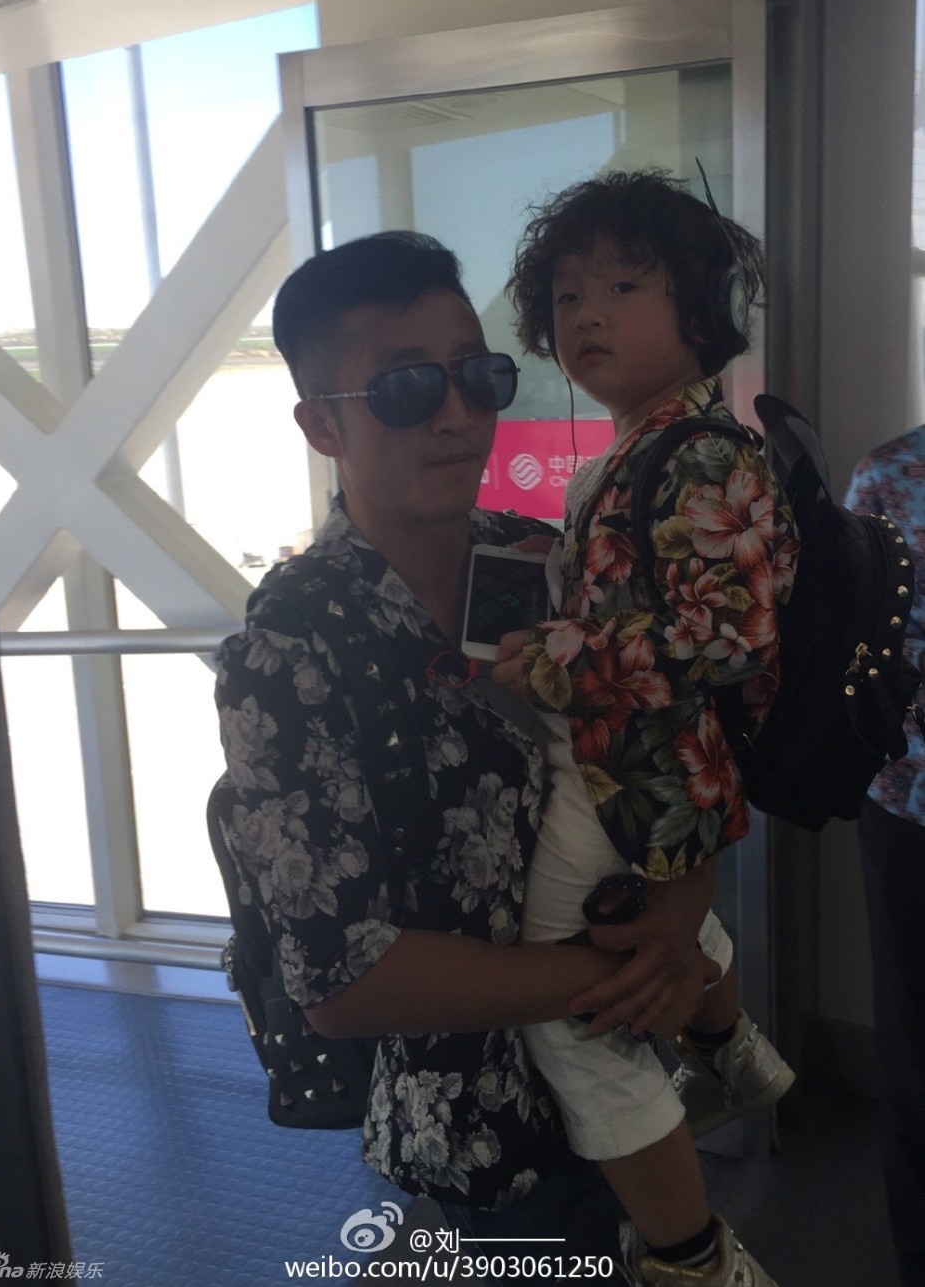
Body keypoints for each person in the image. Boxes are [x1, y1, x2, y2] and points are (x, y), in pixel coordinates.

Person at [211, 231, 717, 1263]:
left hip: (636, 1056)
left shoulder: (543, 564)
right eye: (405, 388)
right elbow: (343, 979)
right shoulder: (290, 650)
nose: (456, 415)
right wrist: (614, 973)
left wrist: (678, 917)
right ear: (320, 424)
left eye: (477, 377)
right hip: (485, 1132)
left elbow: (674, 742)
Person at [491, 172, 798, 1286]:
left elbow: (731, 634)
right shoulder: (639, 447)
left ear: (702, 308)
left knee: (570, 1005)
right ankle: (729, 1051)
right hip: (632, 767)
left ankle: (697, 1259)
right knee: (626, 949)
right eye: (567, 293)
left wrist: (559, 658)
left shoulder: (703, 452)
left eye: (624, 286)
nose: (587, 314)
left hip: (633, 772)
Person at [845, 428, 925, 1287]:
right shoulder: (891, 475)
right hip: (908, 802)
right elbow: (851, 641)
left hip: (905, 798)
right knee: (912, 1048)